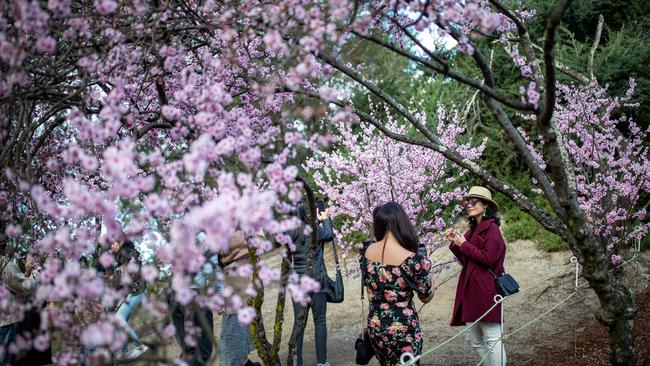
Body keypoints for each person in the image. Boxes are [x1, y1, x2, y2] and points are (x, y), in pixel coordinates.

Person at [360, 202, 434, 365]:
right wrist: (427, 269)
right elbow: (426, 297)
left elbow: (371, 289)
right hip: (402, 328)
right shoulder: (413, 260)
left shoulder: (366, 254)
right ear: (402, 223)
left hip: (376, 325)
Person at [445, 186, 507, 366]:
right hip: (471, 291)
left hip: (487, 290)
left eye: (474, 201)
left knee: (492, 338)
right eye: (467, 202)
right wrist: (456, 244)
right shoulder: (472, 231)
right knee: (474, 339)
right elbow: (468, 261)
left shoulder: (491, 229)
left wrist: (463, 244)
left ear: (486, 205)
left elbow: (488, 258)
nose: (468, 205)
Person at [289, 202, 334, 366]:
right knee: (320, 320)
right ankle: (322, 362)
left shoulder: (287, 233)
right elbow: (329, 234)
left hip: (297, 281)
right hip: (316, 279)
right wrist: (325, 219)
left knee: (298, 322)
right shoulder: (313, 230)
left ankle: (296, 362)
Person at [218, 231, 261, 366]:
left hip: (240, 281)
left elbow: (258, 241)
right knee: (230, 347)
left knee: (231, 346)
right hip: (231, 281)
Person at [170, 251, 220, 366]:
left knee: (189, 349)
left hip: (175, 296)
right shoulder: (204, 236)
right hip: (194, 296)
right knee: (202, 351)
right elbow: (210, 269)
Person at [111, 241, 148, 361]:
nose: (111, 246)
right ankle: (124, 351)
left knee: (118, 319)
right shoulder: (118, 260)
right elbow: (116, 282)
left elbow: (135, 273)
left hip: (137, 290)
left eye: (113, 243)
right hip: (127, 294)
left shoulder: (132, 253)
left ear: (120, 242)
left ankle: (139, 346)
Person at [0, 255, 38, 365]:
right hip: (5, 321)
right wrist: (35, 275)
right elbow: (26, 288)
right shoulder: (5, 265)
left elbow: (12, 284)